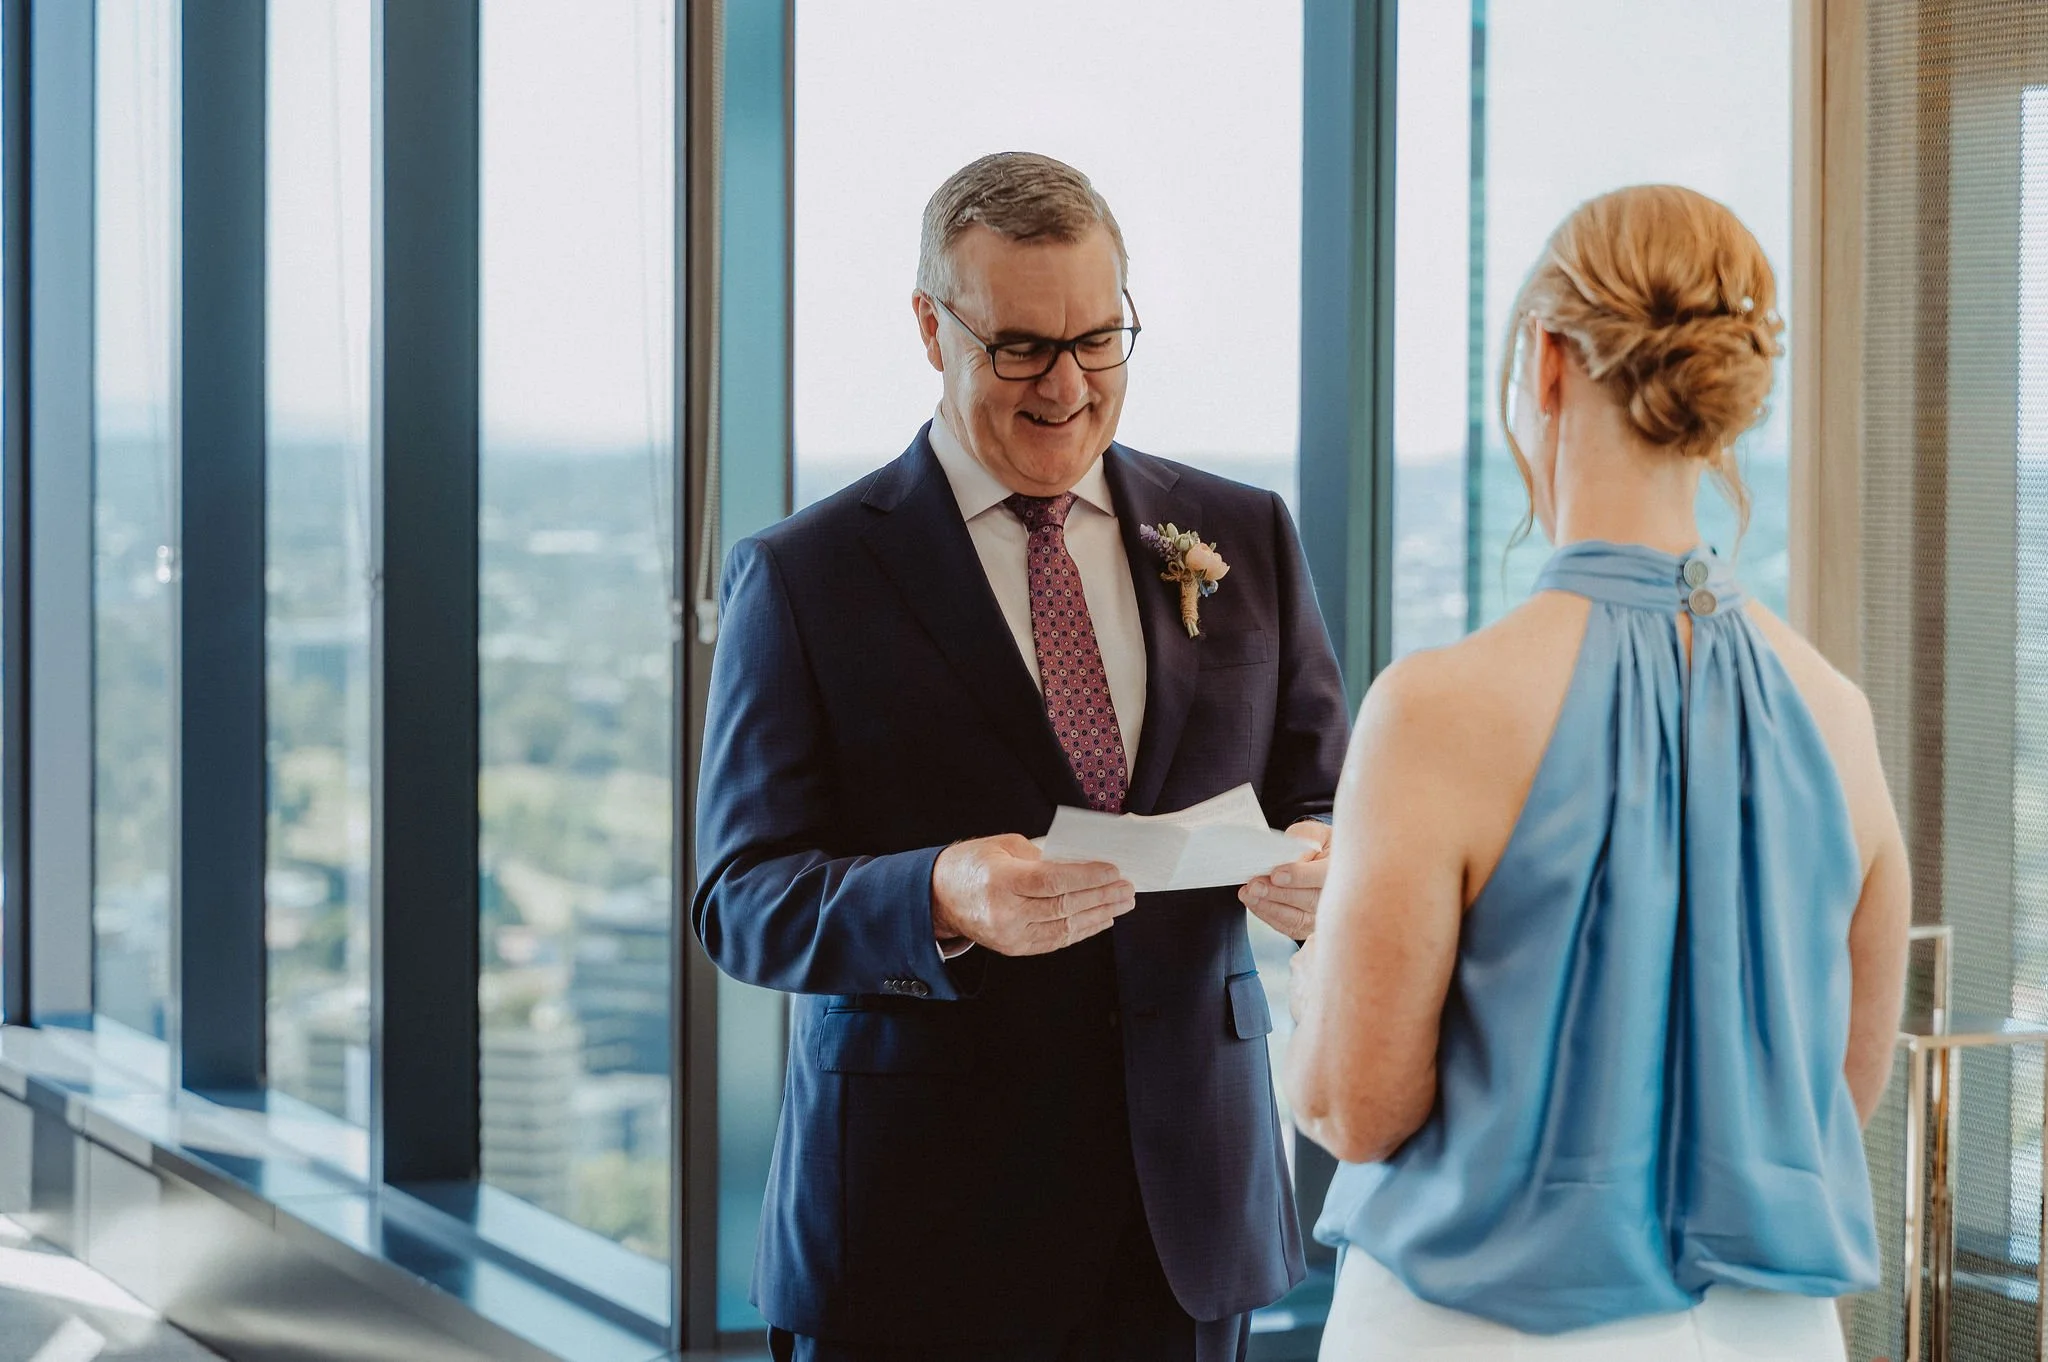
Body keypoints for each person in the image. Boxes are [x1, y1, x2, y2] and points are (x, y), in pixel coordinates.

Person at [692, 151, 1351, 1362]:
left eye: (1098, 340)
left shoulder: (1241, 532)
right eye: (1020, 348)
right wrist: (938, 893)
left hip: (1186, 1217)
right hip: (914, 1227)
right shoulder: (803, 576)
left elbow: (1326, 797)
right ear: (928, 327)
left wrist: (1326, 866)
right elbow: (738, 900)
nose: (1067, 385)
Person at [1285, 184, 1911, 1362]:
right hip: (1771, 1335)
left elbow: (1353, 1109)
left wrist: (1323, 950)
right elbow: (1835, 1094)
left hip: (1474, 1331)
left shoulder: (1437, 710)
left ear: (1546, 361)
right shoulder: (1839, 716)